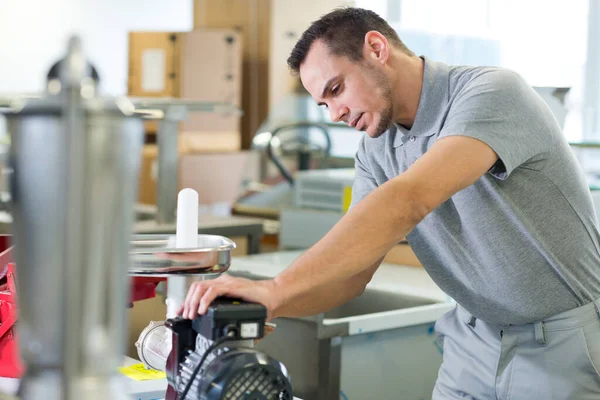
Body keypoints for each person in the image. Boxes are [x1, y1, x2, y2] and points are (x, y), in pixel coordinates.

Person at [179, 7, 600, 399]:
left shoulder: (491, 92)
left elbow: (409, 199)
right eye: (323, 104)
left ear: (377, 49)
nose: (335, 114)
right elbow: (351, 277)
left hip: (560, 344)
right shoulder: (376, 150)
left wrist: (275, 288)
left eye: (337, 89)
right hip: (473, 339)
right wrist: (267, 303)